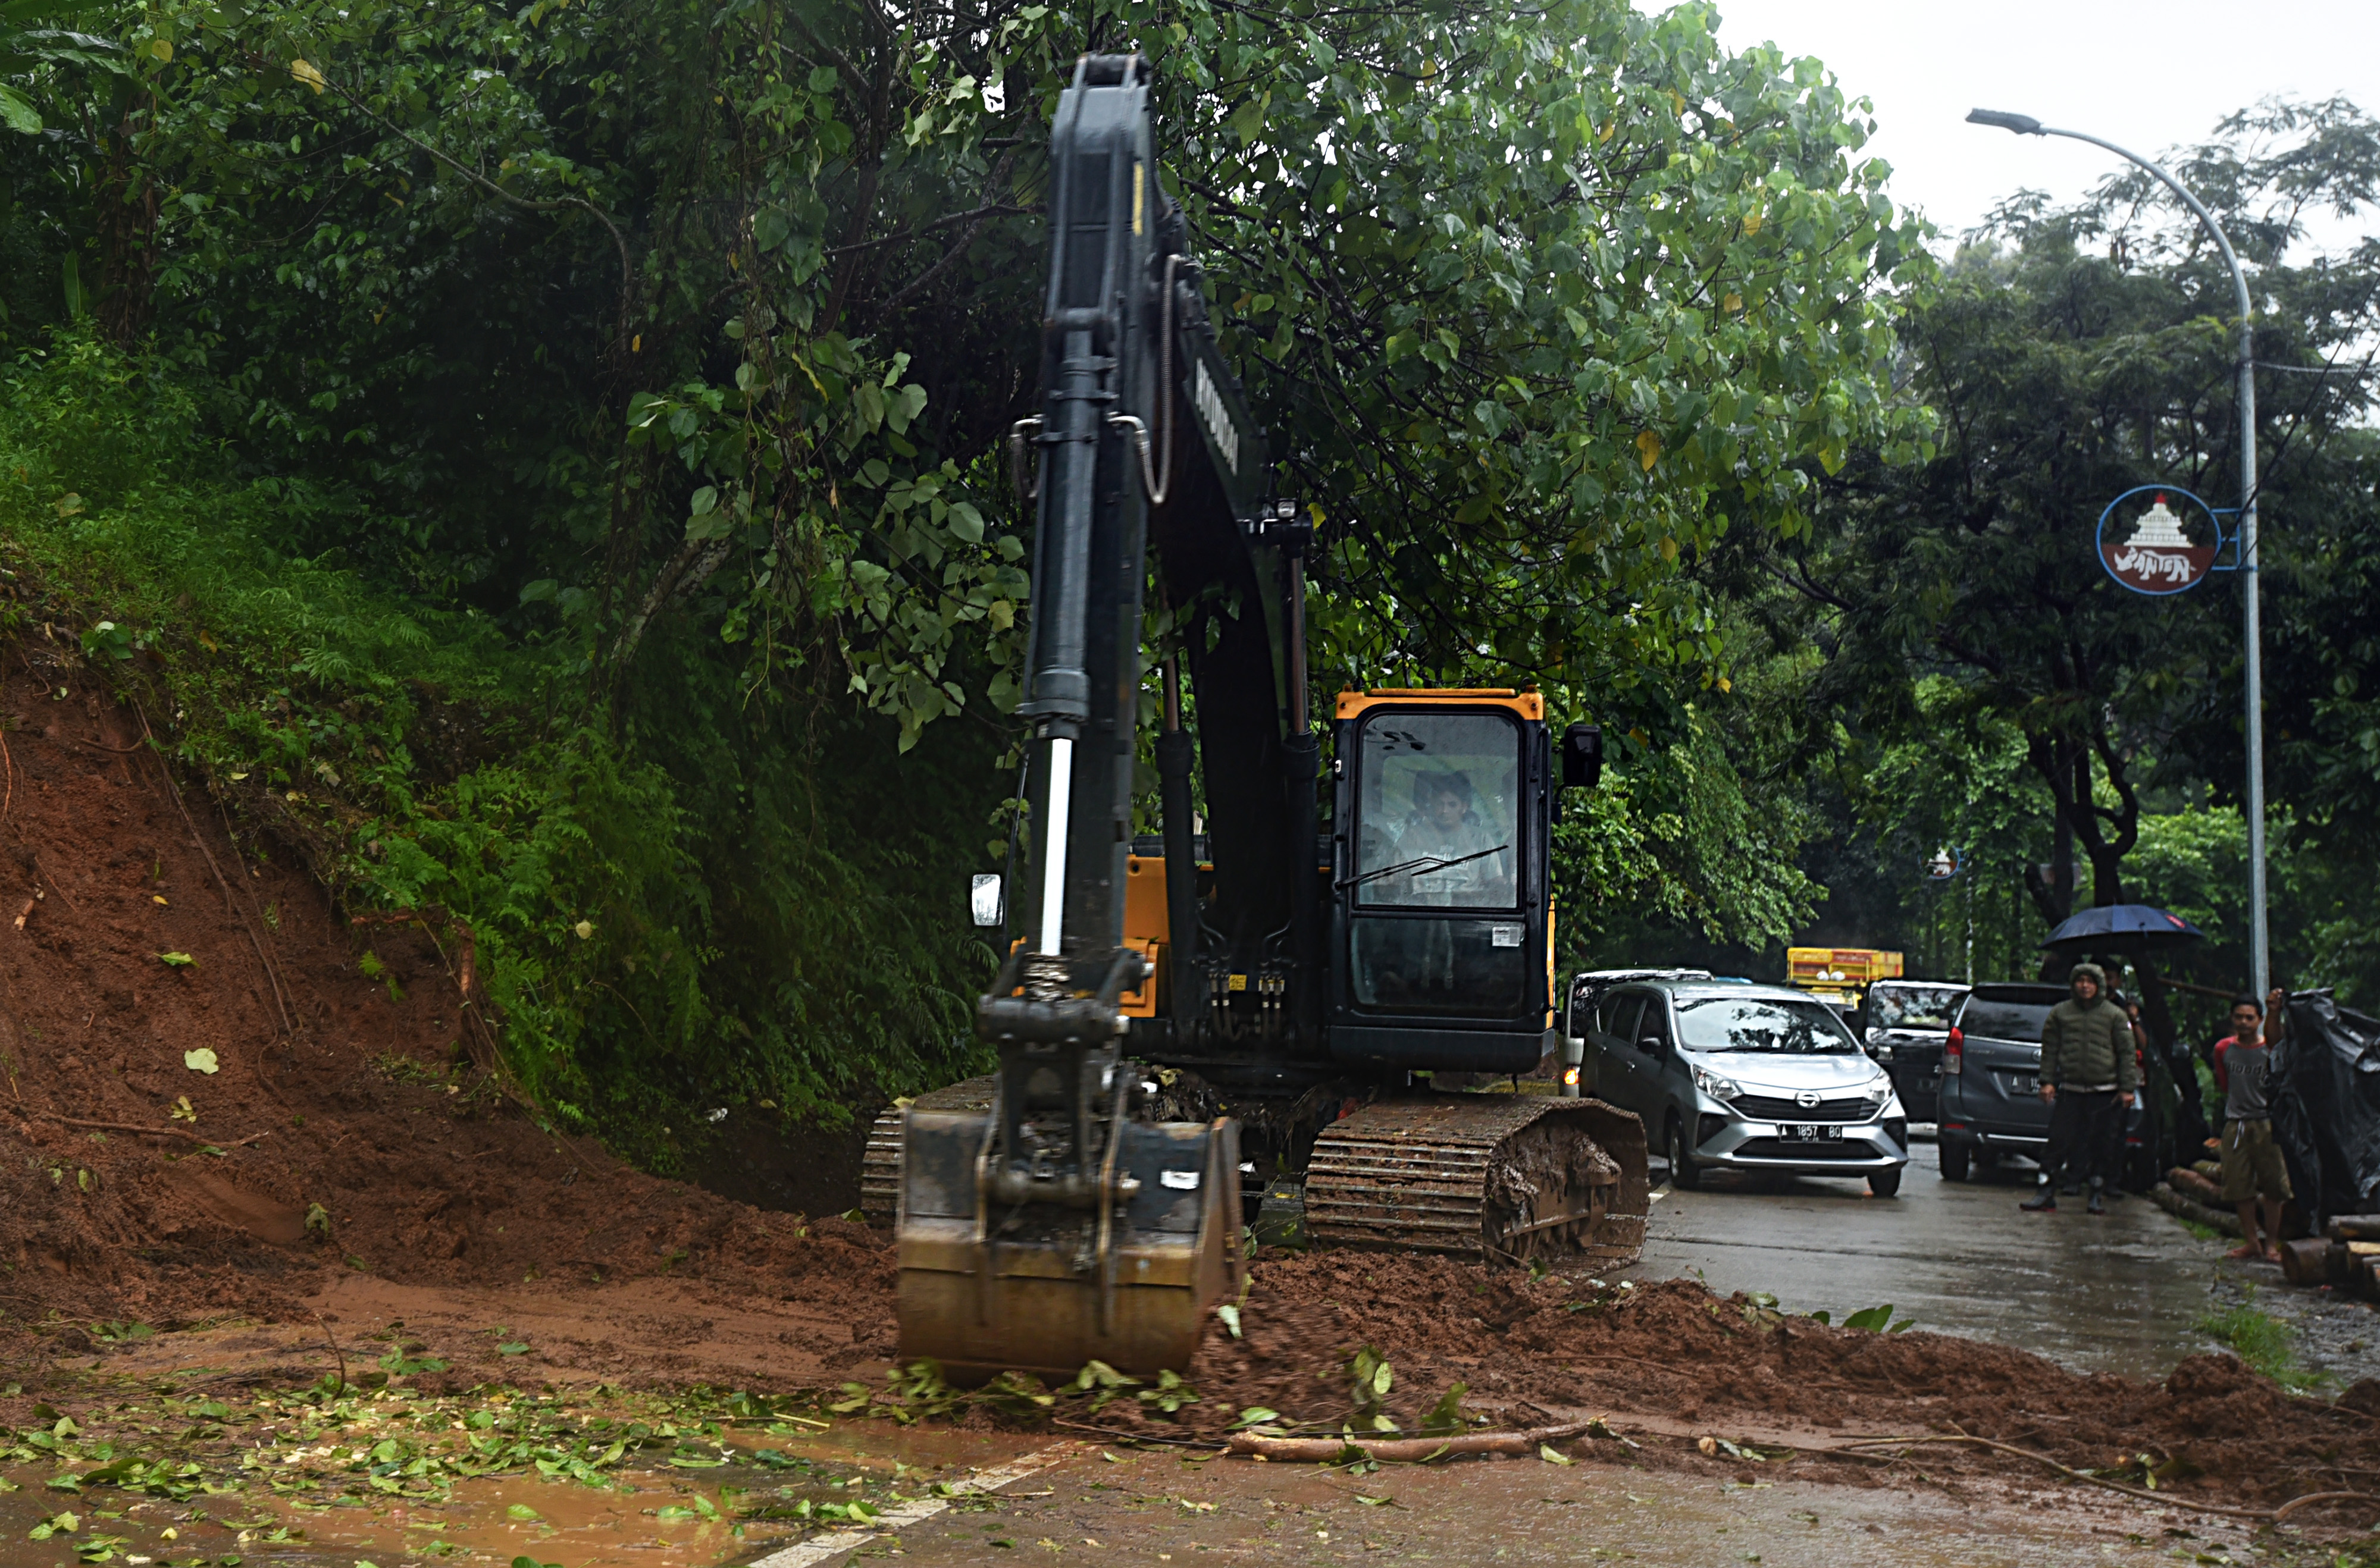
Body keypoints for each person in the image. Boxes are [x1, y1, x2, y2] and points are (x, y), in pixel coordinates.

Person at [2022, 962, 2138, 1215]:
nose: (2085, 986)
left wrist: (2127, 1087)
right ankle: (2045, 1191)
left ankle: (2096, 1193)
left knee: (2102, 1145)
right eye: (2080, 981)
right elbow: (2050, 1050)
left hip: (2105, 1092)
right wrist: (2048, 1081)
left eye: (2090, 981)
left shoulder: (2115, 1015)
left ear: (2100, 985)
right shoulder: (2060, 1014)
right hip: (2071, 1091)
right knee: (2058, 1142)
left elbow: (2127, 1053)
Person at [2215, 990, 2292, 1263]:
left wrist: (2274, 1010)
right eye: (2239, 1017)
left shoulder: (2270, 1047)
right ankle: (2251, 1242)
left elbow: (2276, 1036)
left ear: (2259, 1020)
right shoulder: (2224, 1049)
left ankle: (2272, 1243)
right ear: (2231, 1019)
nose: (2244, 1023)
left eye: (2250, 1018)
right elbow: (2224, 1085)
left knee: (2274, 1187)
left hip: (2267, 1122)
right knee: (2239, 1186)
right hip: (2236, 1123)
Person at [1393, 770, 1511, 907]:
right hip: (1420, 910)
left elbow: (1495, 881)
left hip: (1467, 912)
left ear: (1464, 807)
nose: (1444, 810)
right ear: (1432, 803)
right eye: (1439, 804)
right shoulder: (1413, 837)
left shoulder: (1481, 839)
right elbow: (1397, 879)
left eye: (1452, 805)